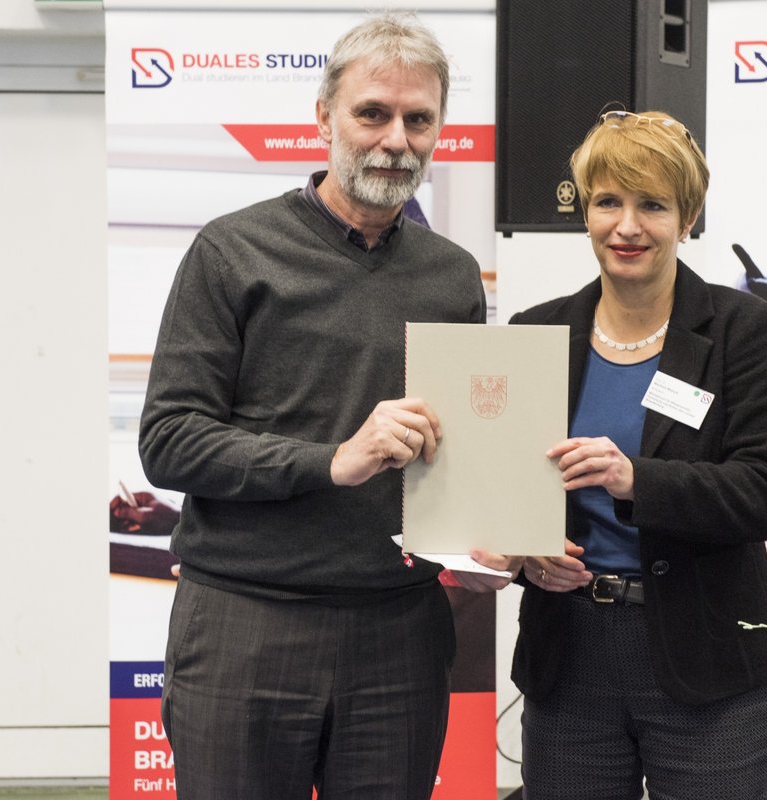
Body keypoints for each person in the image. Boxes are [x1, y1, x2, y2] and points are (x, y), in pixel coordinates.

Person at [138, 13, 515, 799]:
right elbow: (169, 441)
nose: (396, 139)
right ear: (323, 118)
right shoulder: (231, 251)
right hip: (247, 621)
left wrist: (479, 542)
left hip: (398, 631)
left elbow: (456, 452)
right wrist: (332, 461)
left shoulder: (451, 277)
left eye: (419, 119)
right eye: (372, 113)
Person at [510, 110, 767, 800]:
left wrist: (635, 477)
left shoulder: (743, 332)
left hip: (706, 659)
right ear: (585, 212)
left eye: (652, 205)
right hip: (569, 655)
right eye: (608, 202)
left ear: (688, 215)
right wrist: (524, 550)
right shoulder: (537, 331)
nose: (627, 226)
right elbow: (507, 485)